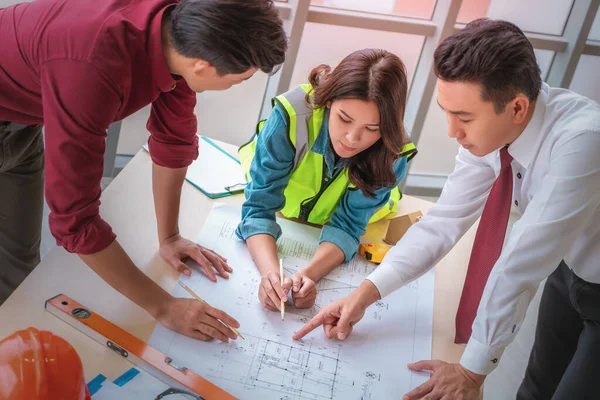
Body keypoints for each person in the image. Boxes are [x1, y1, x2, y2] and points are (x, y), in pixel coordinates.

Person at [294, 18, 600, 400]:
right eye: (447, 112)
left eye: (464, 117)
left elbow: (521, 262)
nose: (452, 131)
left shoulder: (584, 143)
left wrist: (471, 373)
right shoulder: (491, 136)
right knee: (538, 385)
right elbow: (442, 222)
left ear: (517, 107)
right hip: (570, 266)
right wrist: (365, 293)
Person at [0, 0, 287, 342]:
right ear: (202, 66)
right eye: (240, 79)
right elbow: (75, 220)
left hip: (21, 118)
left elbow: (173, 138)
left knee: (17, 269)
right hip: (32, 94)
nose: (238, 84)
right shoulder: (90, 68)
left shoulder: (179, 30)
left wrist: (169, 237)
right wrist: (163, 306)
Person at [235, 49, 417, 312]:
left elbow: (348, 226)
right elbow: (259, 208)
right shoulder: (291, 117)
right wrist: (272, 277)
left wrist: (307, 276)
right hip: (287, 211)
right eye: (345, 119)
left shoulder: (394, 149)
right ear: (329, 100)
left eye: (372, 129)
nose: (352, 139)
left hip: (363, 222)